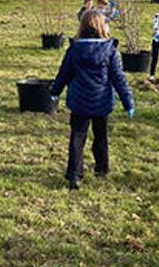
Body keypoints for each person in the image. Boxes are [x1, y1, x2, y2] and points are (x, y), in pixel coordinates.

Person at [50, 10, 135, 191]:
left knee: (77, 137)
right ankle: (102, 169)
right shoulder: (110, 50)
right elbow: (118, 78)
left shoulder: (74, 49)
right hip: (101, 101)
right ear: (102, 26)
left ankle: (74, 174)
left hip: (79, 101)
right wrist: (128, 101)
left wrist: (55, 91)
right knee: (101, 136)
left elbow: (64, 73)